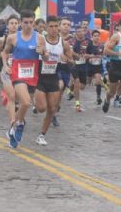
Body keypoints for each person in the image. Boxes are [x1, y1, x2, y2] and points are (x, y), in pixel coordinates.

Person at [2, 10, 46, 148]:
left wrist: (43, 53)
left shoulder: (39, 38)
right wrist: (5, 66)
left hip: (32, 74)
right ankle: (20, 123)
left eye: (31, 23)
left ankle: (14, 127)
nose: (28, 25)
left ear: (34, 23)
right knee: (26, 103)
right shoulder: (13, 38)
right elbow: (4, 52)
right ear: (21, 23)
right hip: (17, 73)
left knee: (26, 103)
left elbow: (46, 57)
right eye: (25, 22)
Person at [34, 16, 71, 146]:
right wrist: (42, 54)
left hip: (53, 77)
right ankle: (35, 101)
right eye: (51, 26)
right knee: (41, 108)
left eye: (56, 26)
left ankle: (41, 135)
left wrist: (66, 59)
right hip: (40, 77)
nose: (54, 29)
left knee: (52, 108)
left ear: (59, 27)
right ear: (46, 27)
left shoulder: (64, 43)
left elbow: (71, 61)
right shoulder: (41, 40)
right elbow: (36, 52)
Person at [0, 15, 19, 132]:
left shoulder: (21, 38)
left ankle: (14, 108)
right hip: (5, 69)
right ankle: (12, 123)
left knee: (17, 97)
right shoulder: (2, 39)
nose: (14, 25)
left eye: (16, 23)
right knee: (12, 96)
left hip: (19, 70)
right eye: (11, 23)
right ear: (7, 25)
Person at [71, 26, 90, 112]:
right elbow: (70, 51)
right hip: (74, 65)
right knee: (77, 82)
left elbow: (93, 51)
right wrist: (76, 55)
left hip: (83, 65)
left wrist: (89, 55)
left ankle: (71, 87)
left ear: (84, 32)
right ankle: (77, 104)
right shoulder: (72, 41)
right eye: (78, 31)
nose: (80, 33)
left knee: (82, 87)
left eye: (81, 31)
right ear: (75, 33)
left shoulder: (88, 41)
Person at [86, 30, 105, 106]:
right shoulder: (89, 45)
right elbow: (85, 55)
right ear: (92, 37)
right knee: (88, 82)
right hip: (90, 66)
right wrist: (91, 57)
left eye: (98, 36)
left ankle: (98, 97)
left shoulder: (101, 46)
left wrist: (101, 56)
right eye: (95, 36)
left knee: (98, 81)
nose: (96, 37)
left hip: (98, 67)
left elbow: (103, 54)